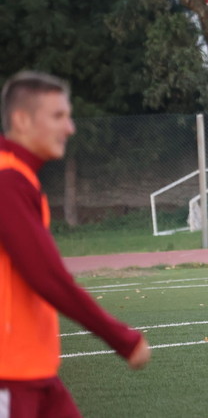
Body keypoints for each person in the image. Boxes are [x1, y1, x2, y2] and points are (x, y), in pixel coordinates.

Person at [0, 71, 151, 417]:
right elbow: (47, 277)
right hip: (9, 378)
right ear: (22, 120)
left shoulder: (19, 177)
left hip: (35, 375)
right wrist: (122, 339)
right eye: (58, 116)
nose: (70, 128)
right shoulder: (7, 180)